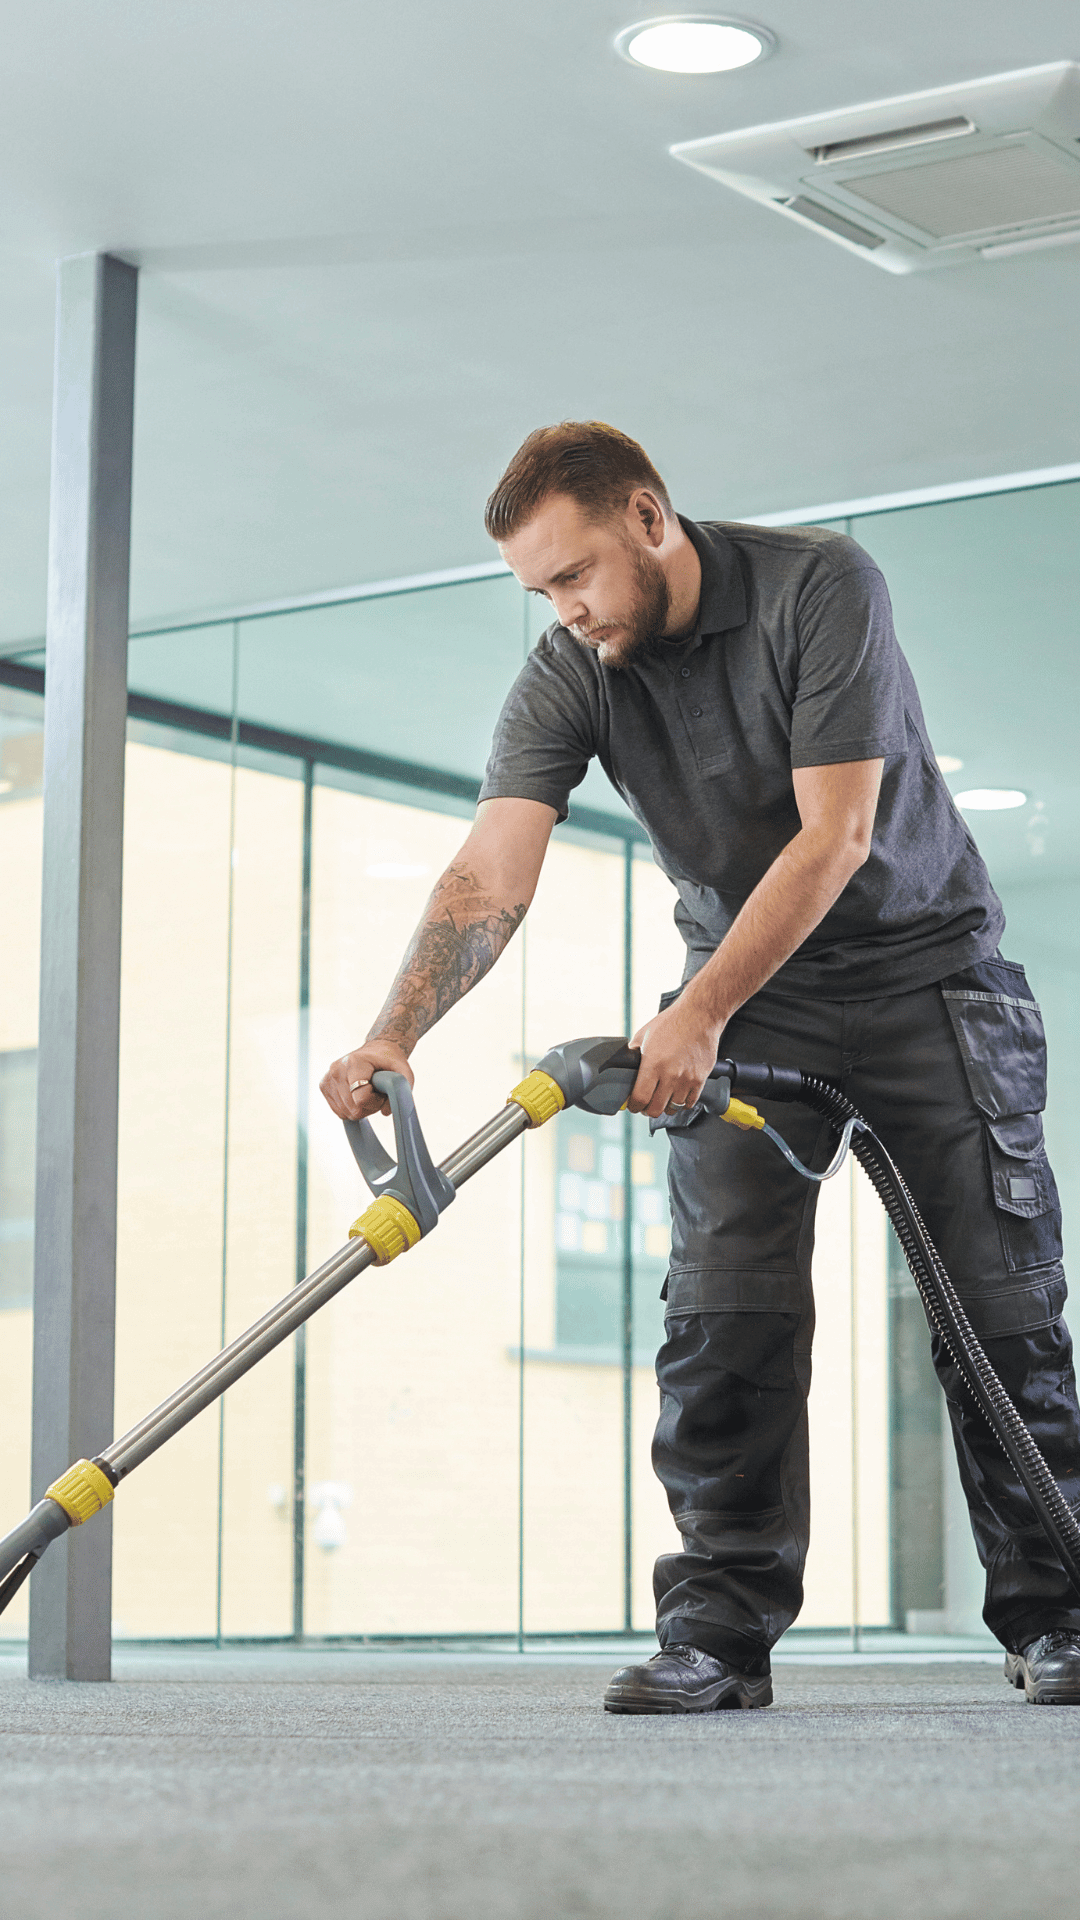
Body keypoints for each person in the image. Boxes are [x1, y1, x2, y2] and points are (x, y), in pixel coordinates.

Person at [320, 421, 1080, 1711]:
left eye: (575, 579)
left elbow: (835, 837)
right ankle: (718, 1637)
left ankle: (1058, 1616)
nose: (564, 614)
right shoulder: (576, 668)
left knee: (998, 1310)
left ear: (650, 517)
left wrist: (700, 1012)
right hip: (747, 1002)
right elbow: (491, 868)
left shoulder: (820, 588)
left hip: (928, 983)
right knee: (723, 1318)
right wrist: (397, 1028)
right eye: (540, 593)